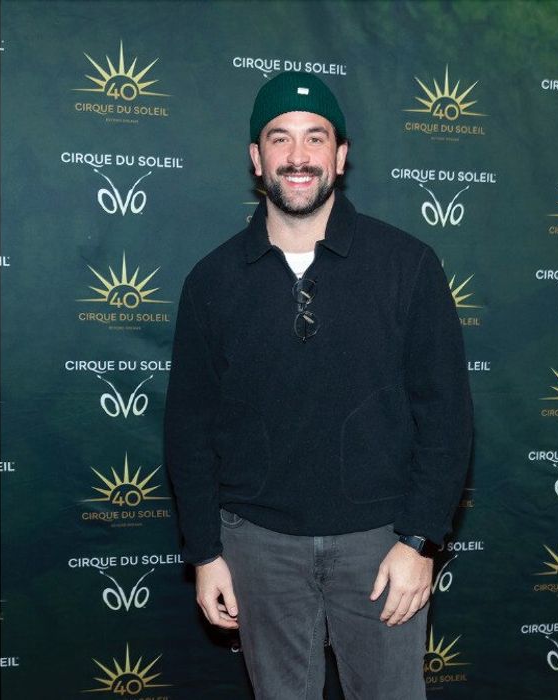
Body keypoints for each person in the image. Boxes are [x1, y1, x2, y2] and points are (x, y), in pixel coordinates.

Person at [164, 71, 472, 698]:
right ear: (256, 158)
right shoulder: (213, 280)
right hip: (258, 551)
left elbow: (446, 414)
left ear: (340, 154)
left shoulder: (407, 265)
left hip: (381, 548)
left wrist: (419, 541)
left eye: (315, 138)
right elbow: (189, 428)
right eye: (280, 139)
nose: (298, 157)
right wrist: (205, 554)